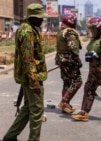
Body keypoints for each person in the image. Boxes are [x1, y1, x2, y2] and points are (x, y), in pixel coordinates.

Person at [3, 3, 47, 141]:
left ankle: (10, 136)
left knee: (28, 108)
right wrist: (34, 81)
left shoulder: (26, 28)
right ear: (32, 17)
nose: (42, 20)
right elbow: (28, 60)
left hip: (28, 77)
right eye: (40, 17)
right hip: (32, 78)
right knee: (37, 111)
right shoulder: (27, 32)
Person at [56, 13, 83, 114]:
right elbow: (73, 48)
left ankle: (65, 106)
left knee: (66, 82)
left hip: (61, 59)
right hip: (69, 60)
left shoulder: (61, 31)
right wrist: (77, 60)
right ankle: (64, 101)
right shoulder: (69, 32)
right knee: (78, 81)